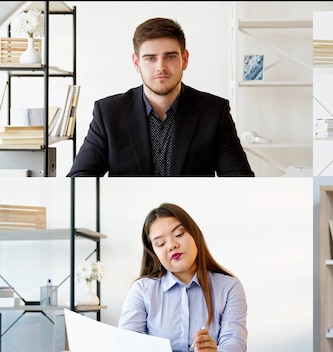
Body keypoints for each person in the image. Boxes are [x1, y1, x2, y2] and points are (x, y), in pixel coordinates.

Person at [67, 17, 254, 176]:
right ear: (136, 62)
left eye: (170, 56)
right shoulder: (109, 113)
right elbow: (80, 179)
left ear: (185, 59)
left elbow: (238, 180)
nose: (161, 67)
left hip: (190, 216)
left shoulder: (214, 112)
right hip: (129, 216)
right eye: (150, 58)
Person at [119, 203, 247, 352]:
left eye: (179, 234)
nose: (172, 245)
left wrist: (214, 351)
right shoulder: (141, 290)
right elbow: (127, 344)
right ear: (154, 253)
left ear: (195, 235)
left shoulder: (229, 287)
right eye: (160, 243)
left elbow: (235, 344)